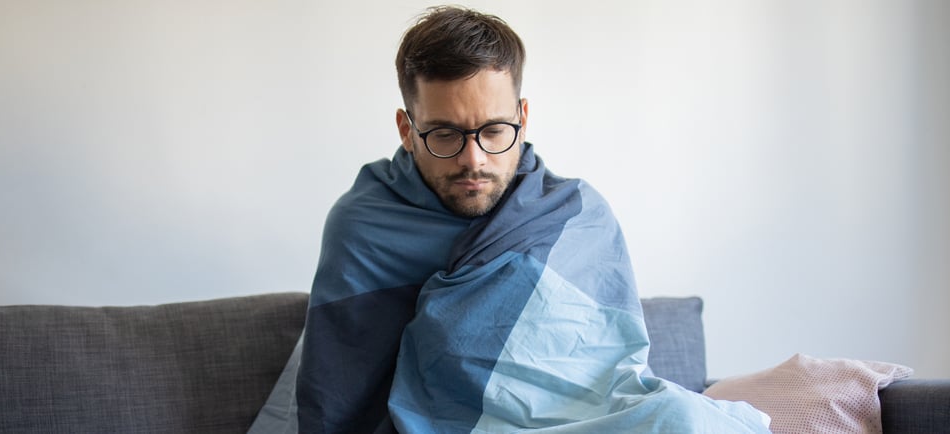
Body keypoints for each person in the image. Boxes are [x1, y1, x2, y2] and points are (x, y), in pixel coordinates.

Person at [248, 6, 770, 433]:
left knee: (682, 418)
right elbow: (339, 393)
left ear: (522, 117)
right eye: (445, 134)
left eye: (494, 131)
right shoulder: (365, 227)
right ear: (407, 129)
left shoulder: (576, 215)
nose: (473, 160)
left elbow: (615, 377)